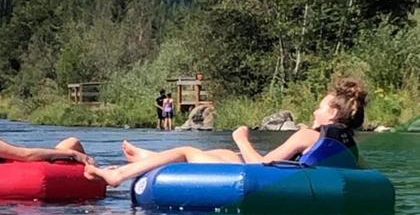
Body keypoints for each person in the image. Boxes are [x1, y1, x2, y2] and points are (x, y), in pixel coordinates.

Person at [84, 78, 367, 187]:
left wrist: (242, 139)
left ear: (332, 114)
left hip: (264, 180)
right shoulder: (349, 143)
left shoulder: (307, 136)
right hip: (291, 179)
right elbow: (361, 171)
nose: (315, 111)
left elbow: (260, 165)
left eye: (320, 107)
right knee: (225, 154)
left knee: (187, 151)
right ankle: (150, 158)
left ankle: (118, 175)